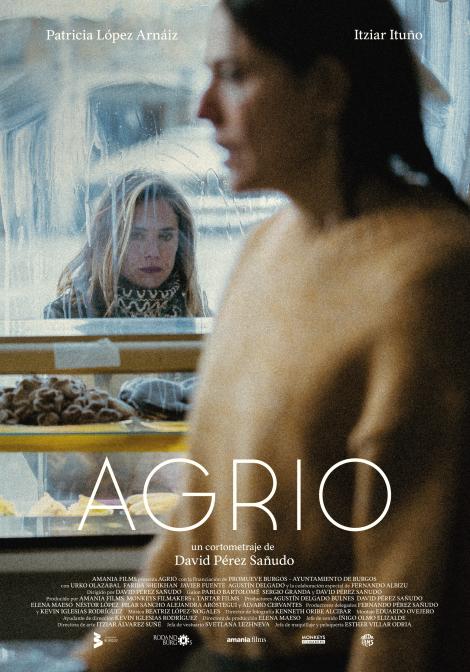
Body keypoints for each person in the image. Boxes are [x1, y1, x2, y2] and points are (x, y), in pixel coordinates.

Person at [79, 2, 470, 671]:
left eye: (234, 75)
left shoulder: (432, 276)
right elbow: (197, 535)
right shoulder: (266, 247)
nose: (202, 108)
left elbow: (400, 606)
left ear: (325, 88)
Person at [44, 171, 209, 318]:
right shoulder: (68, 318)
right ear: (108, 241)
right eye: (136, 236)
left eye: (165, 236)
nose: (153, 252)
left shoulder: (202, 320)